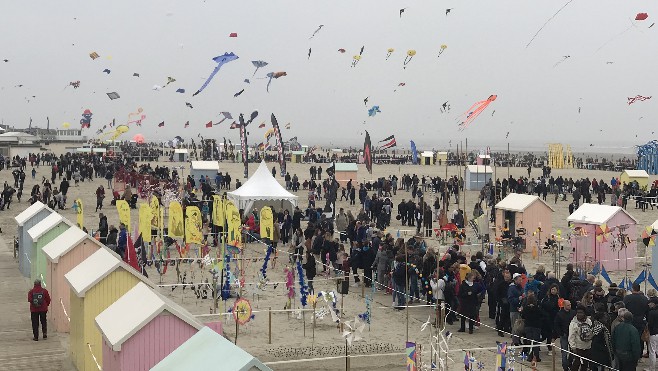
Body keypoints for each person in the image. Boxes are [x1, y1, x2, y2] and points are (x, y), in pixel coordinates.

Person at [623, 283, 648, 355]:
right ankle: (639, 354)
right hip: (641, 321)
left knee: (629, 337)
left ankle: (630, 352)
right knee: (640, 338)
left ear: (632, 288)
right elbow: (647, 311)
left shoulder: (627, 298)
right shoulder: (644, 299)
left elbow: (624, 309)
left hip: (630, 320)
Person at [568, 305, 594, 371]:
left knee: (585, 364)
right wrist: (573, 347)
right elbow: (571, 336)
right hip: (578, 348)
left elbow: (591, 332)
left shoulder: (589, 321)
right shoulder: (573, 323)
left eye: (581, 312)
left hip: (588, 347)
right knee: (576, 364)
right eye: (578, 312)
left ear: (584, 313)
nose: (579, 314)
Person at [554, 299, 575, 371]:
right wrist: (561, 333)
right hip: (564, 335)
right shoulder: (559, 314)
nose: (570, 306)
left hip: (572, 335)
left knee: (573, 351)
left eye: (570, 305)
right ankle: (565, 367)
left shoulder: (573, 313)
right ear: (564, 306)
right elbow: (556, 325)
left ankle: (569, 362)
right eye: (568, 305)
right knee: (564, 352)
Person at [521, 295, 543, 362]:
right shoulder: (537, 308)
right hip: (536, 326)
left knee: (529, 342)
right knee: (536, 342)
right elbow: (541, 315)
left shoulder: (525, 308)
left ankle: (530, 356)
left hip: (528, 326)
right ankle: (536, 356)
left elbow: (523, 316)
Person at [647, 297, 658, 370]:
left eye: (650, 303)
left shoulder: (651, 313)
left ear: (654, 304)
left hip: (653, 333)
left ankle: (652, 368)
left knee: (652, 351)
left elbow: (650, 324)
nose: (648, 304)